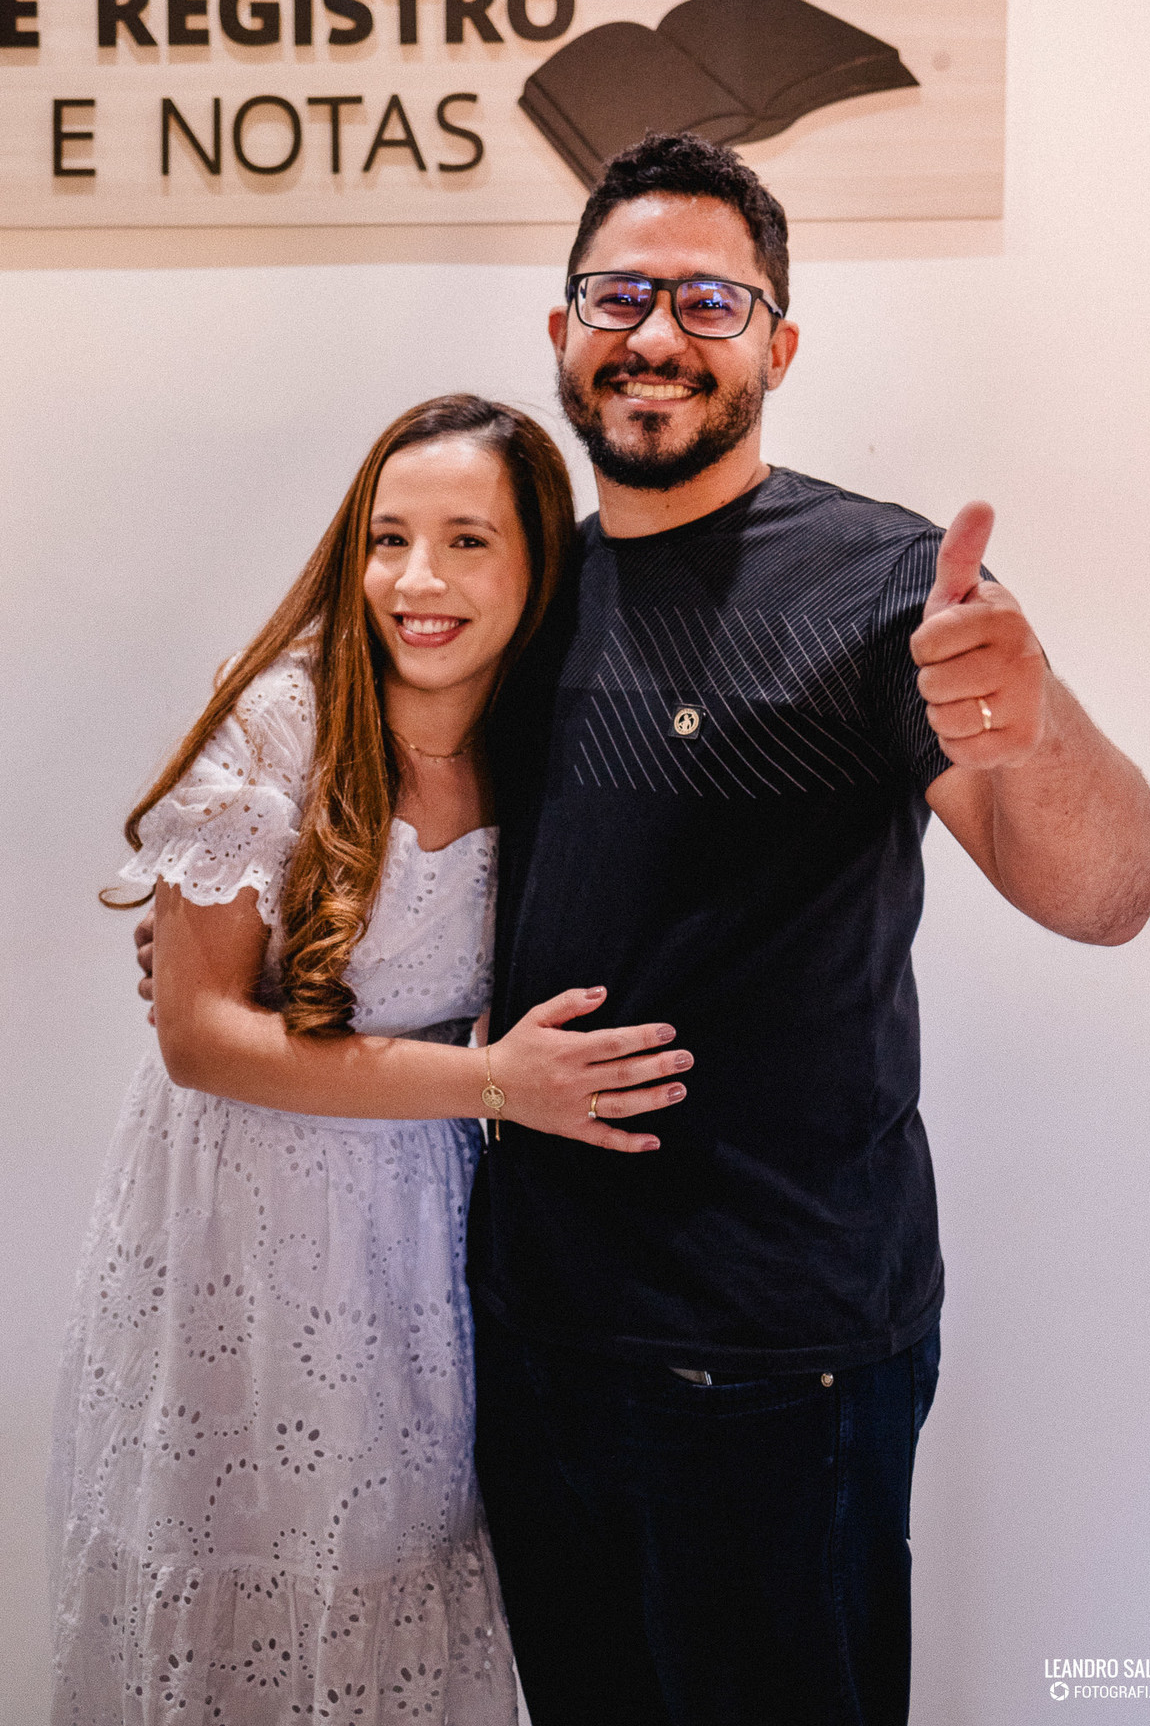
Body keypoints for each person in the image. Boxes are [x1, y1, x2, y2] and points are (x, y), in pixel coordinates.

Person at [459, 136, 1150, 1726]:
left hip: (778, 1360)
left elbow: (1109, 900)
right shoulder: (516, 587)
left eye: (711, 300)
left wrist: (1030, 730)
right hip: (529, 1329)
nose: (657, 334)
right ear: (560, 331)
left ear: (778, 345)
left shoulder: (885, 586)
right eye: (619, 294)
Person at [48, 394, 693, 1726]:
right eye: (387, 538)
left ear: (537, 569)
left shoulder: (552, 746)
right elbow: (197, 1034)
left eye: (466, 541)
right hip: (242, 1229)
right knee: (248, 1570)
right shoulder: (282, 729)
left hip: (420, 1240)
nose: (416, 580)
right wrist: (493, 1082)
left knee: (403, 1570)